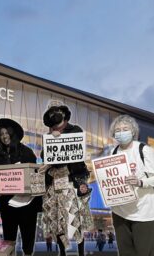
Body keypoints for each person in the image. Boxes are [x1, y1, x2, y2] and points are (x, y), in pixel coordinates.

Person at [39, 101, 93, 256]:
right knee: (58, 221)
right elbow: (45, 155)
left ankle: (81, 252)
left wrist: (60, 138)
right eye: (50, 112)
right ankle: (62, 252)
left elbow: (78, 152)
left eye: (56, 111)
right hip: (55, 184)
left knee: (77, 219)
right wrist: (52, 139)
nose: (53, 114)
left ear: (63, 113)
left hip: (72, 182)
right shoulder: (48, 135)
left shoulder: (75, 130)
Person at [108, 114, 154, 256]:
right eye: (117, 130)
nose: (121, 132)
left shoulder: (144, 150)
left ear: (133, 131)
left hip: (144, 212)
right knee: (125, 253)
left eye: (125, 128)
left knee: (144, 252)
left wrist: (140, 182)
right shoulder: (113, 152)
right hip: (120, 211)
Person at [0, 118, 43, 256]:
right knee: (9, 237)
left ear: (12, 134)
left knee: (28, 235)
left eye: (7, 133)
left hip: (26, 203)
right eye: (1, 134)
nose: (4, 136)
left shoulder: (26, 152)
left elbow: (34, 175)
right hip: (7, 204)